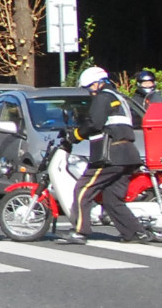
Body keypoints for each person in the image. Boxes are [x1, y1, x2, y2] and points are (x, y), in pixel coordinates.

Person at [60, 65, 143, 245]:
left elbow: (94, 124)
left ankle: (80, 231)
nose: (89, 92)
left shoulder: (103, 97)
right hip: (128, 154)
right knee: (112, 198)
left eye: (89, 87)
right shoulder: (120, 98)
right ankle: (135, 233)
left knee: (83, 189)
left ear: (98, 84)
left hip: (111, 155)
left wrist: (74, 135)